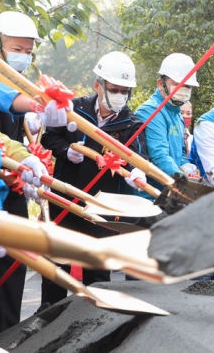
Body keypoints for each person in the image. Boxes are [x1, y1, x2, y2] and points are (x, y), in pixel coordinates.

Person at [38, 52, 150, 307]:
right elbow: (48, 137)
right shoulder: (73, 110)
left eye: (125, 91)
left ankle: (93, 322)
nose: (120, 95)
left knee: (98, 274)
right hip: (64, 201)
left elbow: (139, 157)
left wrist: (137, 174)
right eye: (114, 89)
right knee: (56, 266)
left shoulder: (132, 124)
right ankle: (46, 319)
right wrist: (66, 151)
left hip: (102, 208)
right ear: (98, 86)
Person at [0, 10, 47, 336]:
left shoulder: (21, 84)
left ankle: (5, 337)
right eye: (15, 48)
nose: (22, 56)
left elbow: (17, 134)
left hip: (11, 185)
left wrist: (31, 158)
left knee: (12, 263)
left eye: (27, 51)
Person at [135, 53, 200, 195]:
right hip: (149, 194)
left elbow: (180, 150)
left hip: (169, 191)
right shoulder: (151, 110)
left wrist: (184, 164)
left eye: (188, 86)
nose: (183, 89)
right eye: (178, 84)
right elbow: (159, 155)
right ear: (161, 84)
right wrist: (184, 182)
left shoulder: (176, 112)